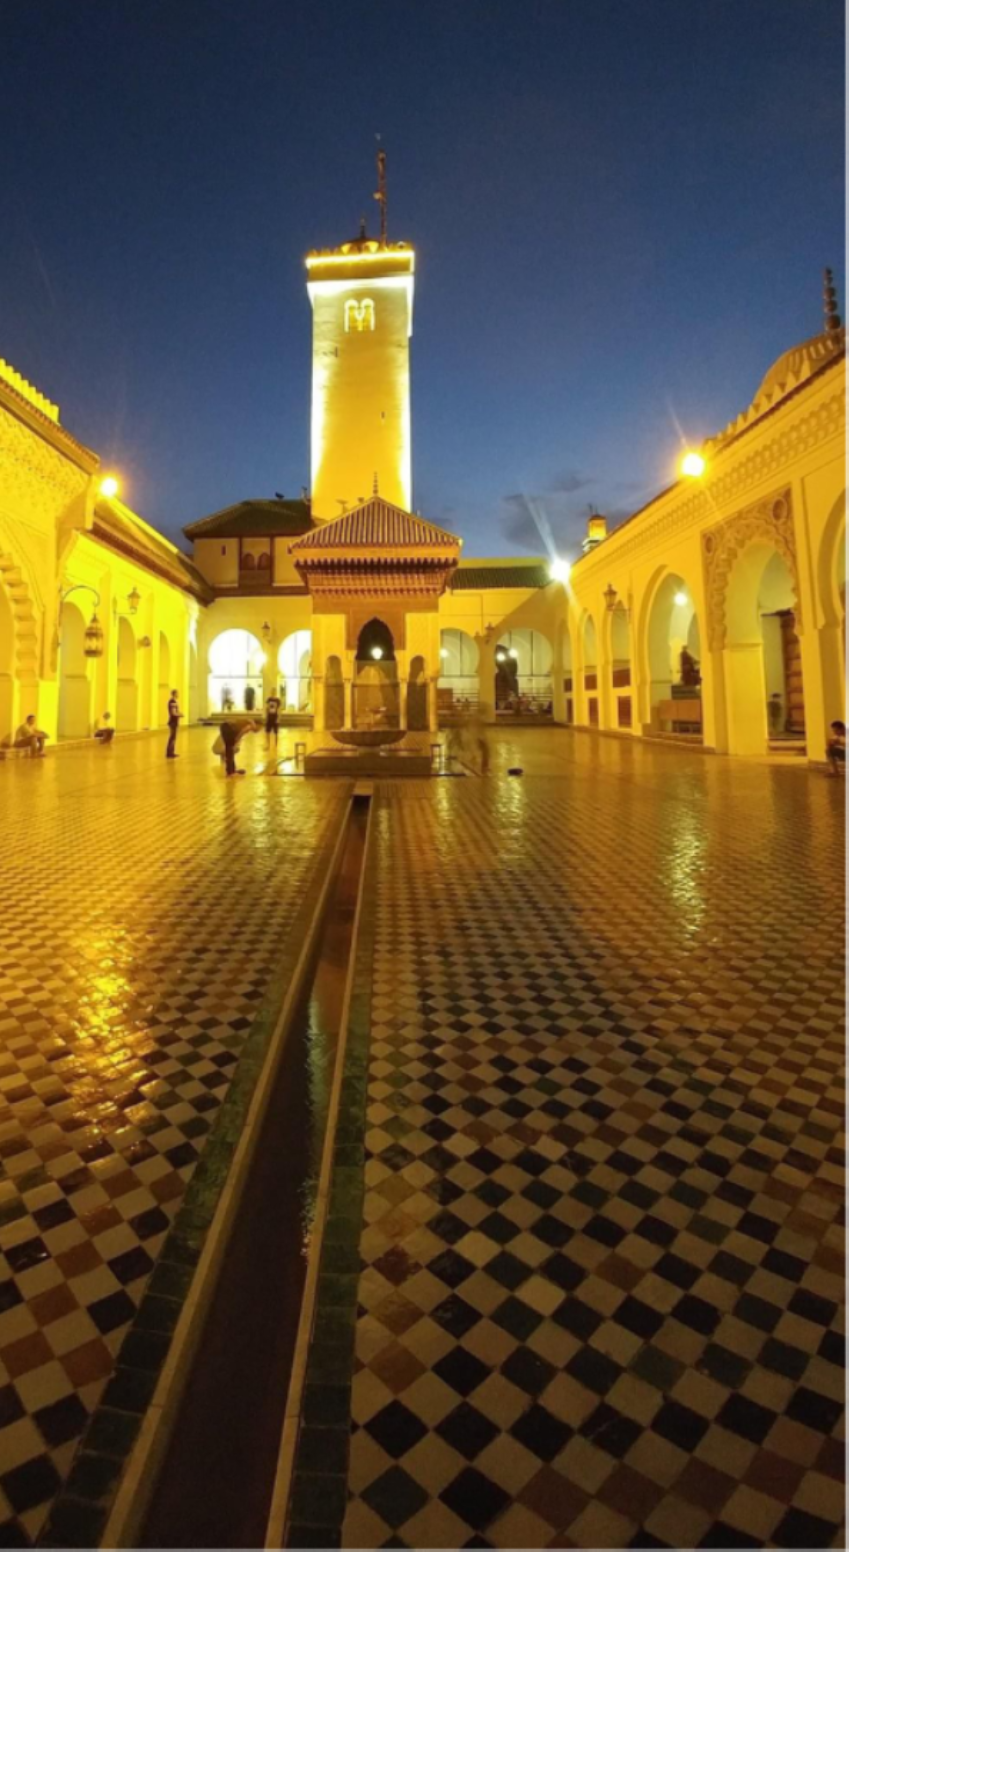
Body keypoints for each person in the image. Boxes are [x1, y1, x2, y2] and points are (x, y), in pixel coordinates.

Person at [166, 690, 182, 759]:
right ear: (174, 694)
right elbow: (173, 713)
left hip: (174, 722)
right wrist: (180, 715)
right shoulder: (172, 702)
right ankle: (170, 753)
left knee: (173, 738)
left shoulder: (173, 701)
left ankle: (171, 752)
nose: (178, 694)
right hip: (173, 722)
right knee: (172, 738)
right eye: (177, 693)